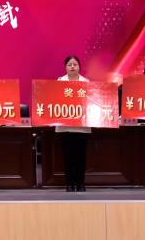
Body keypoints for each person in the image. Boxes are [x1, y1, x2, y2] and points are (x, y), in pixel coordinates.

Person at [57, 55, 91, 192]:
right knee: (68, 156)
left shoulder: (86, 82)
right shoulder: (60, 82)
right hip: (65, 126)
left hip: (82, 126)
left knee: (81, 156)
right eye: (69, 64)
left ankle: (80, 183)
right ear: (65, 67)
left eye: (75, 64)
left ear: (79, 67)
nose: (72, 67)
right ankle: (69, 183)